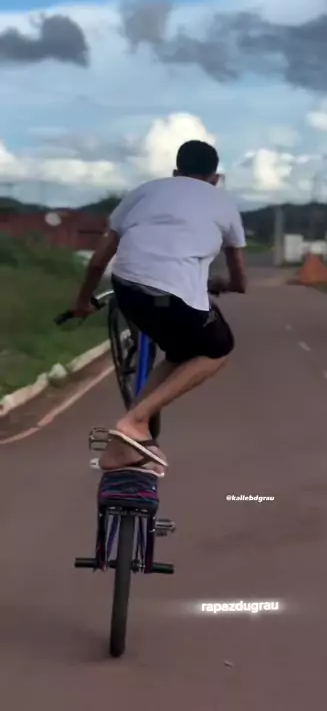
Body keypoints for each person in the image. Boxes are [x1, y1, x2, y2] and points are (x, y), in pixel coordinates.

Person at [69, 140, 247, 476]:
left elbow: (98, 260)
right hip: (176, 297)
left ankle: (123, 445)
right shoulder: (224, 204)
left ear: (176, 172)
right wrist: (224, 284)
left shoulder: (143, 192)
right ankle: (134, 422)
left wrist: (81, 302)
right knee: (218, 348)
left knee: (180, 353)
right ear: (215, 178)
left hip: (127, 289)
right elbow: (240, 277)